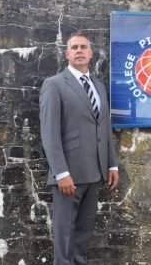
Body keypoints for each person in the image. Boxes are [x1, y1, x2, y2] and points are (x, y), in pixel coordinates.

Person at [39, 32, 119, 265]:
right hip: (69, 176)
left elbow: (104, 128)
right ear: (67, 54)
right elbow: (49, 132)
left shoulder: (99, 86)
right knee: (64, 239)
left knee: (83, 238)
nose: (79, 51)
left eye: (84, 47)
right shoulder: (54, 84)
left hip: (95, 173)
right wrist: (61, 172)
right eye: (74, 47)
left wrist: (112, 164)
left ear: (91, 53)